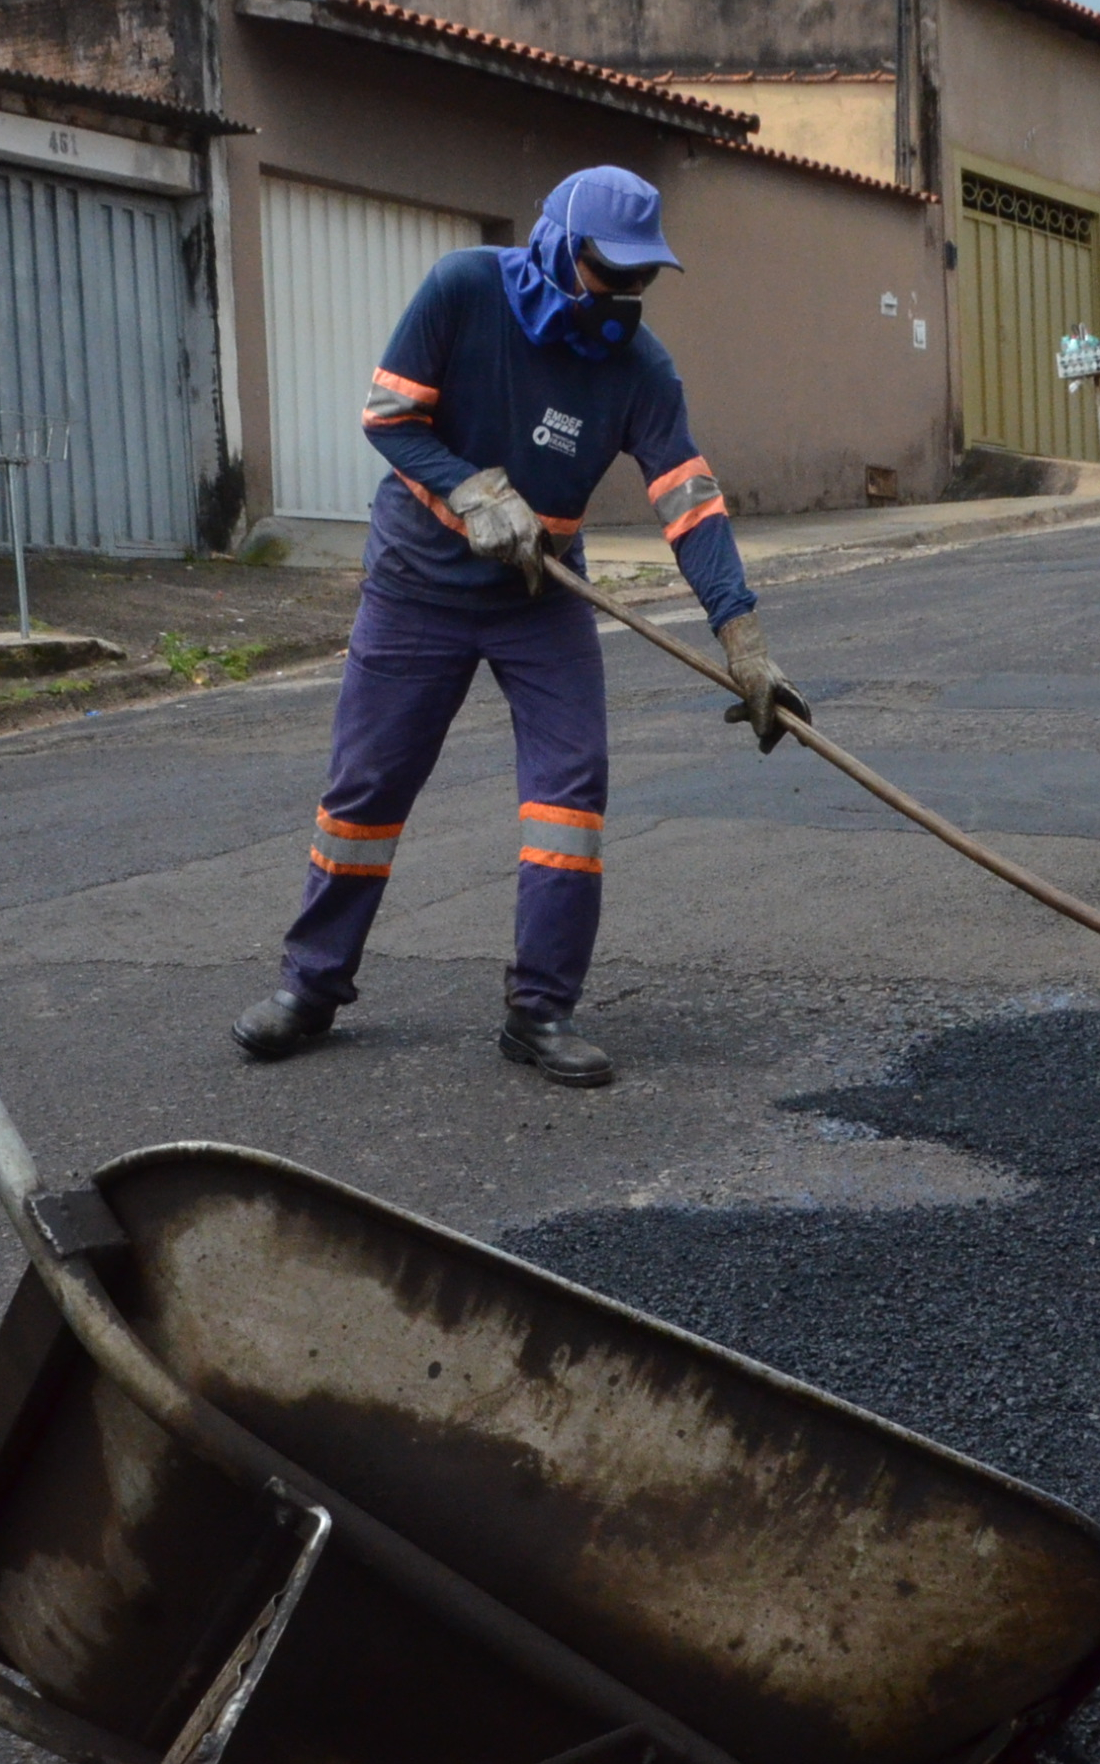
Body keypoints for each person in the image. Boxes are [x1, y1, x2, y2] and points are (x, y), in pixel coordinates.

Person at [230, 166, 804, 1087]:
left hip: (543, 602)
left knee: (571, 790)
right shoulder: (464, 288)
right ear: (557, 246)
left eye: (642, 276)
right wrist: (469, 489)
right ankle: (310, 986)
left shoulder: (640, 369)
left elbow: (691, 505)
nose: (625, 294)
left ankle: (540, 1009)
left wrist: (745, 641)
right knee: (366, 788)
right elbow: (389, 416)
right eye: (609, 270)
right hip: (417, 585)